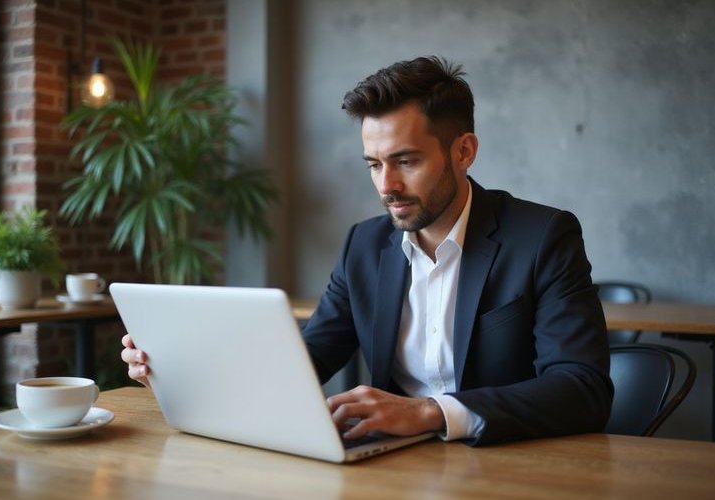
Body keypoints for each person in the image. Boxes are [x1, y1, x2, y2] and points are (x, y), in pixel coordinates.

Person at [122, 56, 613, 446]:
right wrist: (182, 375)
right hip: (389, 467)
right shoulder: (364, 244)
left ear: (463, 152)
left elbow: (582, 389)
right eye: (374, 164)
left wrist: (426, 412)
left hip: (509, 466)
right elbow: (303, 362)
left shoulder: (544, 235)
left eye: (406, 161)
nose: (387, 185)